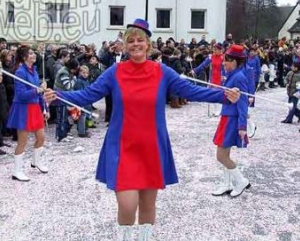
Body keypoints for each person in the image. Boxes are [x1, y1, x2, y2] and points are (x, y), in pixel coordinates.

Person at [44, 18, 240, 241]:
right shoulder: (114, 72)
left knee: (148, 204)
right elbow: (88, 94)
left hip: (151, 146)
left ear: (148, 44)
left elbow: (191, 91)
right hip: (122, 146)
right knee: (127, 205)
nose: (135, 44)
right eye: (131, 41)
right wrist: (58, 96)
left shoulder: (162, 72)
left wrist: (223, 95)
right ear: (125, 46)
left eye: (140, 40)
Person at [212, 44, 250, 198]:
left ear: (234, 62)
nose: (223, 63)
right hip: (226, 117)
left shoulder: (239, 77)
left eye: (226, 61)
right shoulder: (232, 75)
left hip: (232, 120)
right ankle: (227, 184)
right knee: (225, 155)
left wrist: (242, 126)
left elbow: (243, 103)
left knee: (221, 156)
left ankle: (241, 181)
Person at [6, 45, 49, 182]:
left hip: (35, 107)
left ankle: (36, 161)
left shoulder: (34, 71)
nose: (34, 55)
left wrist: (45, 108)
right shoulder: (20, 72)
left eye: (33, 53)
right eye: (30, 54)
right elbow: (20, 95)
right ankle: (17, 171)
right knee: (22, 142)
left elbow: (39, 93)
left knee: (41, 137)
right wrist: (37, 90)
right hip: (23, 109)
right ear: (24, 57)